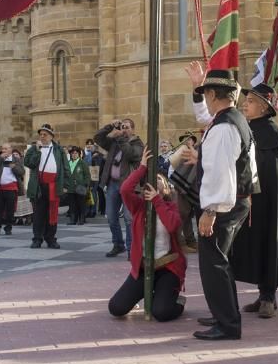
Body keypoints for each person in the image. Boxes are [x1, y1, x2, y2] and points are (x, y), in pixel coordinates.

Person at [184, 63, 258, 341]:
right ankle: (223, 314)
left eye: (205, 94)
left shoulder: (224, 127)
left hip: (224, 205)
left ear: (214, 94)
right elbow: (205, 118)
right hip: (236, 202)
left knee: (214, 263)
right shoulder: (230, 118)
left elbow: (221, 172)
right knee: (218, 261)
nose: (204, 99)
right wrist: (196, 87)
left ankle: (227, 324)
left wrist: (210, 211)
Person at [232, 82, 278, 318]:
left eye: (251, 101)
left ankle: (269, 297)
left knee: (269, 243)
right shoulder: (249, 128)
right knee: (255, 246)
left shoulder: (273, 133)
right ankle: (262, 293)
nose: (245, 104)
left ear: (264, 107)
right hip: (252, 200)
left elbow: (272, 173)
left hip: (269, 203)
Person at [108, 147, 187, 321]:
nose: (155, 182)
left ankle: (177, 300)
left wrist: (157, 200)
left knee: (161, 313)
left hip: (168, 268)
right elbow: (124, 190)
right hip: (144, 268)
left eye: (159, 180)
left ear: (166, 188)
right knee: (116, 308)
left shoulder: (171, 207)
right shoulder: (139, 207)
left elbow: (172, 225)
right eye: (151, 181)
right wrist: (142, 167)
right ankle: (146, 294)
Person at [94, 118, 144, 257]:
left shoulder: (138, 144)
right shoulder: (114, 143)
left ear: (133, 129)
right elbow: (97, 138)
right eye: (122, 127)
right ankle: (118, 244)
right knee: (111, 217)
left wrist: (121, 137)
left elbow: (130, 154)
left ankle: (131, 249)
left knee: (129, 219)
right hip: (113, 184)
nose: (124, 129)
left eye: (127, 127)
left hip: (129, 186)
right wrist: (110, 126)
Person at [24, 124, 70, 249]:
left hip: (54, 186)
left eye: (45, 134)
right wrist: (38, 152)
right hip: (39, 186)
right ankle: (37, 239)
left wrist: (66, 185)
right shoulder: (34, 149)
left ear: (51, 136)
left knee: (52, 213)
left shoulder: (59, 150)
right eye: (41, 134)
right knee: (38, 213)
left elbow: (66, 168)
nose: (42, 137)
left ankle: (51, 238)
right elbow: (28, 163)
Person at [0, 142, 25, 235]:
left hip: (11, 188)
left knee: (10, 210)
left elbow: (22, 172)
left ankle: (8, 227)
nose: (4, 150)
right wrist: (0, 158)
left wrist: (14, 167)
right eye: (3, 149)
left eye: (6, 149)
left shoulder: (16, 159)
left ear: (11, 149)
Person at [66, 146, 90, 225]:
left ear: (79, 154)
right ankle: (73, 220)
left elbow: (87, 175)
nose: (74, 155)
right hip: (70, 187)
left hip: (80, 187)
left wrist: (85, 185)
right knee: (72, 204)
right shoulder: (68, 163)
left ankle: (82, 219)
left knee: (81, 204)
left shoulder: (82, 163)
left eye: (76, 153)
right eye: (73, 153)